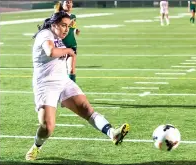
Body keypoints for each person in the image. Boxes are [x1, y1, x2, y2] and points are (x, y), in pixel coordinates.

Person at [25, 11, 130, 161]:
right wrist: (68, 51)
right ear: (54, 24)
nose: (66, 29)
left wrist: (71, 69)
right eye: (63, 25)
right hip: (46, 85)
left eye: (68, 26)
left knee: (87, 110)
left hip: (63, 82)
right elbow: (50, 51)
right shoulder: (45, 34)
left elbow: (65, 56)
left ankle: (112, 133)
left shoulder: (60, 38)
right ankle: (36, 146)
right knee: (47, 127)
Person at [54, 0, 80, 83]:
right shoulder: (57, 16)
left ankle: (72, 92)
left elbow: (71, 29)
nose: (69, 4)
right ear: (62, 4)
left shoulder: (73, 16)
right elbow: (54, 30)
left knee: (71, 70)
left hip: (71, 45)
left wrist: (76, 31)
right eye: (67, 2)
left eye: (70, 2)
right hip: (60, 46)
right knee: (58, 72)